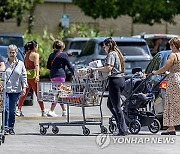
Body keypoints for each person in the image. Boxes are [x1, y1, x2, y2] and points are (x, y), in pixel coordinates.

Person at [91, 37, 128, 136]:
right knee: (110, 105)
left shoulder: (111, 54)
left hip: (115, 81)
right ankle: (121, 125)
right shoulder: (117, 53)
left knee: (116, 106)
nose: (104, 49)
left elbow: (109, 68)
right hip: (120, 80)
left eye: (104, 47)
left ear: (108, 46)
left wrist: (96, 69)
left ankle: (123, 129)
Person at [152, 37, 180, 135]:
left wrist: (156, 72)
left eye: (171, 45)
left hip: (174, 81)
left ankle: (171, 127)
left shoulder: (173, 55)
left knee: (171, 103)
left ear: (173, 45)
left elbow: (166, 67)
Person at [17, 41, 46, 117]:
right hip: (33, 77)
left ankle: (18, 109)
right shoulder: (35, 55)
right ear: (35, 47)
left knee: (24, 93)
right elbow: (36, 65)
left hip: (27, 76)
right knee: (38, 94)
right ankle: (43, 110)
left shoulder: (26, 55)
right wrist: (37, 75)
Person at [46, 39, 74, 117]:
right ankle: (51, 110)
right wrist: (74, 74)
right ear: (61, 47)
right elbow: (70, 66)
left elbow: (48, 66)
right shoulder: (63, 55)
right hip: (60, 76)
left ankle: (64, 110)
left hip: (52, 76)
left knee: (59, 92)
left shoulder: (51, 55)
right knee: (58, 93)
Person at [5, 45, 28, 135]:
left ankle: (11, 127)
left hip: (15, 90)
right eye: (10, 52)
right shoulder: (4, 63)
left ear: (16, 53)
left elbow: (24, 76)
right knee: (5, 108)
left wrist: (24, 88)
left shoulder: (20, 64)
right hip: (5, 90)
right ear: (8, 53)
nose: (11, 54)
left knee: (12, 110)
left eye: (13, 52)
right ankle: (5, 127)